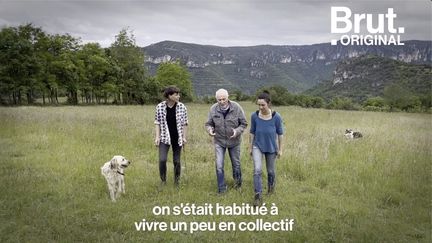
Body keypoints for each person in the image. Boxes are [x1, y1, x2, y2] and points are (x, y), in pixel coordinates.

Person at [205, 88, 248, 194]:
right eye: (219, 100)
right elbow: (208, 124)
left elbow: (244, 123)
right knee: (219, 165)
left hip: (234, 141)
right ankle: (221, 189)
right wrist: (210, 130)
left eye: (224, 99)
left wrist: (237, 131)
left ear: (228, 97)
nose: (222, 102)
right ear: (216, 99)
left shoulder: (237, 107)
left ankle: (238, 186)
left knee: (236, 164)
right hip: (219, 141)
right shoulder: (213, 109)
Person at [249, 91, 284, 206]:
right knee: (257, 170)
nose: (260, 107)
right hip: (257, 146)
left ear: (269, 103)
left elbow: (280, 134)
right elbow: (252, 133)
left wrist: (280, 149)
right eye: (258, 104)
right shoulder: (254, 116)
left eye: (263, 105)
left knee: (270, 171)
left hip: (271, 147)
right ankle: (258, 195)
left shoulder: (276, 117)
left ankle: (271, 188)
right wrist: (250, 148)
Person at [154, 86, 188, 187]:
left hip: (178, 138)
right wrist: (157, 137)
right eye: (176, 94)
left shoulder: (182, 107)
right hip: (164, 137)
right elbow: (157, 122)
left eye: (178, 94)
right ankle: (163, 181)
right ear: (169, 96)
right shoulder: (160, 107)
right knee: (162, 159)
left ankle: (177, 182)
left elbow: (185, 123)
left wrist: (184, 137)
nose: (178, 96)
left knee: (177, 161)